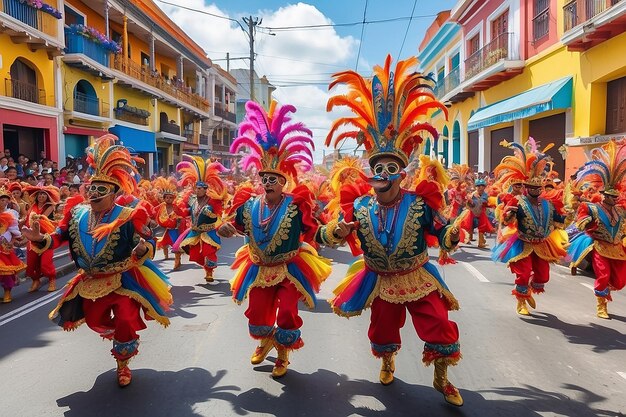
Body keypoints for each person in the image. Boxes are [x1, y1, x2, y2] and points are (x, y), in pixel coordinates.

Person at [325, 55, 464, 406]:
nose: (383, 174)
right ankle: (388, 359)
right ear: (370, 172)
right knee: (383, 330)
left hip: (417, 275)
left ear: (401, 173)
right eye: (378, 167)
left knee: (437, 324)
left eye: (391, 168)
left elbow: (441, 230)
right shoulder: (358, 206)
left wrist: (451, 234)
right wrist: (337, 232)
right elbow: (323, 236)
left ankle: (442, 376)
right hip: (380, 279)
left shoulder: (418, 202)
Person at [21, 134, 172, 387]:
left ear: (113, 193)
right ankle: (120, 337)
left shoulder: (128, 215)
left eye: (100, 190)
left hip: (123, 278)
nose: (93, 194)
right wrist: (39, 238)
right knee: (93, 321)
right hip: (90, 281)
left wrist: (144, 247)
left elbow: (149, 241)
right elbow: (58, 237)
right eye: (91, 188)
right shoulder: (77, 212)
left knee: (125, 316)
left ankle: (123, 363)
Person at [218, 100, 333, 379]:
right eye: (264, 178)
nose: (268, 182)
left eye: (273, 179)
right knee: (257, 316)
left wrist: (334, 233)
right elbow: (233, 226)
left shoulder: (296, 204)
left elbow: (314, 232)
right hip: (258, 267)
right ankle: (266, 338)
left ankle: (282, 353)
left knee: (288, 313)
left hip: (289, 268)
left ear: (283, 181)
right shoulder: (249, 205)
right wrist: (224, 229)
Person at [491, 139, 567, 316]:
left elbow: (558, 220)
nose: (535, 190)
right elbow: (507, 220)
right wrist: (509, 213)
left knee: (543, 277)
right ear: (526, 187)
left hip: (542, 243)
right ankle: (521, 300)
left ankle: (528, 291)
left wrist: (567, 215)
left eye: (537, 187)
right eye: (531, 187)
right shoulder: (517, 201)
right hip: (523, 243)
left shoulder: (548, 203)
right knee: (523, 273)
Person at [567, 139, 626, 319]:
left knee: (619, 280)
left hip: (617, 248)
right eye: (610, 196)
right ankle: (601, 305)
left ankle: (605, 292)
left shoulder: (621, 210)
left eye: (615, 197)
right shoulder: (591, 207)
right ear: (603, 195)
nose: (613, 199)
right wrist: (588, 222)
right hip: (600, 246)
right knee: (603, 275)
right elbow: (581, 221)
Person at [173, 156, 228, 283]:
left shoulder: (212, 200)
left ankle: (209, 272)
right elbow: (186, 212)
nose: (197, 190)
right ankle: (205, 268)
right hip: (195, 231)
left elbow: (217, 215)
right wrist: (177, 210)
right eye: (196, 188)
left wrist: (210, 214)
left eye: (200, 188)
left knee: (209, 252)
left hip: (208, 231)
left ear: (205, 189)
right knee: (196, 253)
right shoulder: (191, 199)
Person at [23, 185, 59, 292]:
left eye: (44, 194)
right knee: (30, 266)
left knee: (45, 264)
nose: (41, 196)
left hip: (46, 239)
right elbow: (27, 221)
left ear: (47, 196)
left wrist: (32, 221)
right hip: (33, 239)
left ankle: (52, 280)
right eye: (40, 194)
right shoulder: (31, 207)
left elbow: (41, 219)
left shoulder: (50, 206)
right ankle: (36, 280)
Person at [0, 185, 25, 303]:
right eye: (0, 199)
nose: (2, 202)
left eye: (4, 199)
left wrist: (13, 241)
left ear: (8, 201)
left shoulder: (11, 214)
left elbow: (15, 232)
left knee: (6, 271)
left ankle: (7, 292)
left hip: (5, 245)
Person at [153, 177, 184, 270]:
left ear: (173, 198)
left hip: (173, 230)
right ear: (164, 198)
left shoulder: (176, 207)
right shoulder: (161, 206)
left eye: (171, 198)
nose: (169, 199)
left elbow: (182, 215)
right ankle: (166, 255)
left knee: (176, 246)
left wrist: (178, 220)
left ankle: (177, 261)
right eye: (167, 197)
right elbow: (152, 212)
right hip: (162, 230)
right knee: (163, 244)